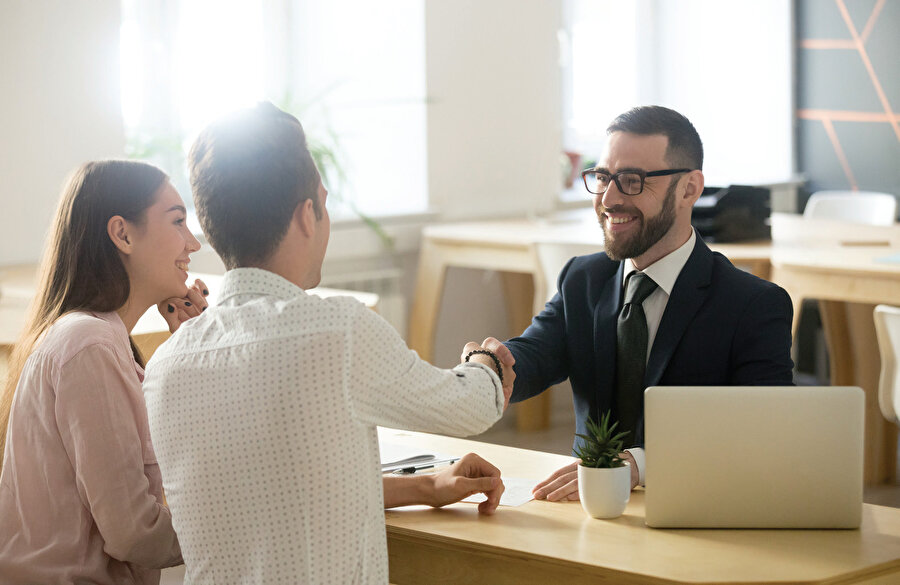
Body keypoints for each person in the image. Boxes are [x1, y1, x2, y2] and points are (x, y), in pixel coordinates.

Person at [141, 102, 514, 584]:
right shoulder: (338, 331)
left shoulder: (165, 365)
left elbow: (279, 491)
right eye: (324, 202)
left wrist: (427, 484)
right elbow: (471, 407)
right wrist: (483, 361)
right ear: (305, 215)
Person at [471, 105, 794, 502]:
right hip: (585, 508)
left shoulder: (753, 306)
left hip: (697, 508)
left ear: (690, 189)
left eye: (632, 181)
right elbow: (535, 352)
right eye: (603, 177)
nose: (608, 198)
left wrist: (638, 466)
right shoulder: (583, 278)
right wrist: (489, 365)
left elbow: (762, 432)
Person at [0, 160, 209, 584]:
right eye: (178, 221)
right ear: (123, 234)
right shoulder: (89, 345)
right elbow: (134, 533)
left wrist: (191, 352)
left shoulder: (101, 342)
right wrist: (240, 528)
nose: (193, 243)